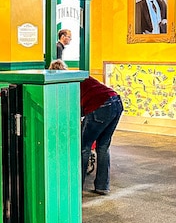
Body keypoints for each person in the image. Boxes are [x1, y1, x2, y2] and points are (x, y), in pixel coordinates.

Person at [50, 61, 123, 195]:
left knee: (84, 147)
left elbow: (74, 108)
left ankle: (77, 186)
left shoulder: (65, 83)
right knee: (103, 146)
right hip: (116, 102)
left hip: (100, 106)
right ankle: (102, 186)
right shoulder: (80, 76)